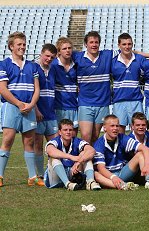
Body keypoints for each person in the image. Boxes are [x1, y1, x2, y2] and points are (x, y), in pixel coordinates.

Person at [0, 32, 41, 187]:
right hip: (12, 107)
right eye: (19, 44)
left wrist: (30, 105)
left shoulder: (32, 66)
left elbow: (37, 89)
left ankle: (32, 177)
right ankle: (0, 176)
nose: (22, 47)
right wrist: (18, 104)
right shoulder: (4, 64)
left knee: (29, 141)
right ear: (11, 46)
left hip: (28, 107)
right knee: (8, 140)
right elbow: (2, 89)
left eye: (24, 44)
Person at [93, 115, 149, 189]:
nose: (115, 128)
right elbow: (101, 168)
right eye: (112, 126)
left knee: (140, 154)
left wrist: (147, 165)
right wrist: (113, 177)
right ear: (104, 128)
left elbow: (145, 149)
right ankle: (123, 185)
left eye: (117, 126)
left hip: (123, 172)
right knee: (96, 174)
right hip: (109, 176)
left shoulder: (122, 137)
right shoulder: (99, 144)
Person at [72, 31, 115, 144]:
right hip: (85, 103)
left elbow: (127, 51)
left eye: (96, 42)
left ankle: (93, 160)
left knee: (96, 136)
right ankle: (85, 161)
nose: (94, 44)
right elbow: (60, 54)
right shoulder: (77, 56)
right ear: (86, 44)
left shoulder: (106, 55)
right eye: (91, 42)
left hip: (102, 103)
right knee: (86, 136)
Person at [44, 119, 101, 191]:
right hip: (55, 178)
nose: (68, 132)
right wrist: (71, 157)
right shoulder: (55, 141)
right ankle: (67, 184)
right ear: (60, 132)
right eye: (65, 130)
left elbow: (91, 151)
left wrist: (78, 162)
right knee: (54, 158)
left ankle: (90, 182)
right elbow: (50, 151)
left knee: (85, 155)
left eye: (70, 130)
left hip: (72, 173)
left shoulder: (77, 141)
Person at [111, 33, 146, 134]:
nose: (127, 46)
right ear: (119, 45)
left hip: (135, 101)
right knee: (119, 132)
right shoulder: (113, 61)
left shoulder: (139, 59)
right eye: (124, 44)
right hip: (119, 101)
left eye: (129, 44)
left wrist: (142, 54)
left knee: (138, 131)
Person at [34, 43, 58, 180]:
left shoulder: (53, 69)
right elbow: (32, 91)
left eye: (52, 57)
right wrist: (36, 109)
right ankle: (39, 174)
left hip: (51, 113)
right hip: (38, 113)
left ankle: (52, 173)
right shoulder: (33, 67)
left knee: (54, 145)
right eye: (47, 56)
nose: (49, 59)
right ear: (41, 53)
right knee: (38, 145)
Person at [52, 37, 79, 136]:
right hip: (59, 107)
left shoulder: (76, 65)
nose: (67, 50)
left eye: (69, 48)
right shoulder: (53, 65)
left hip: (74, 106)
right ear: (58, 52)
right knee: (59, 137)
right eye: (64, 48)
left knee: (73, 137)